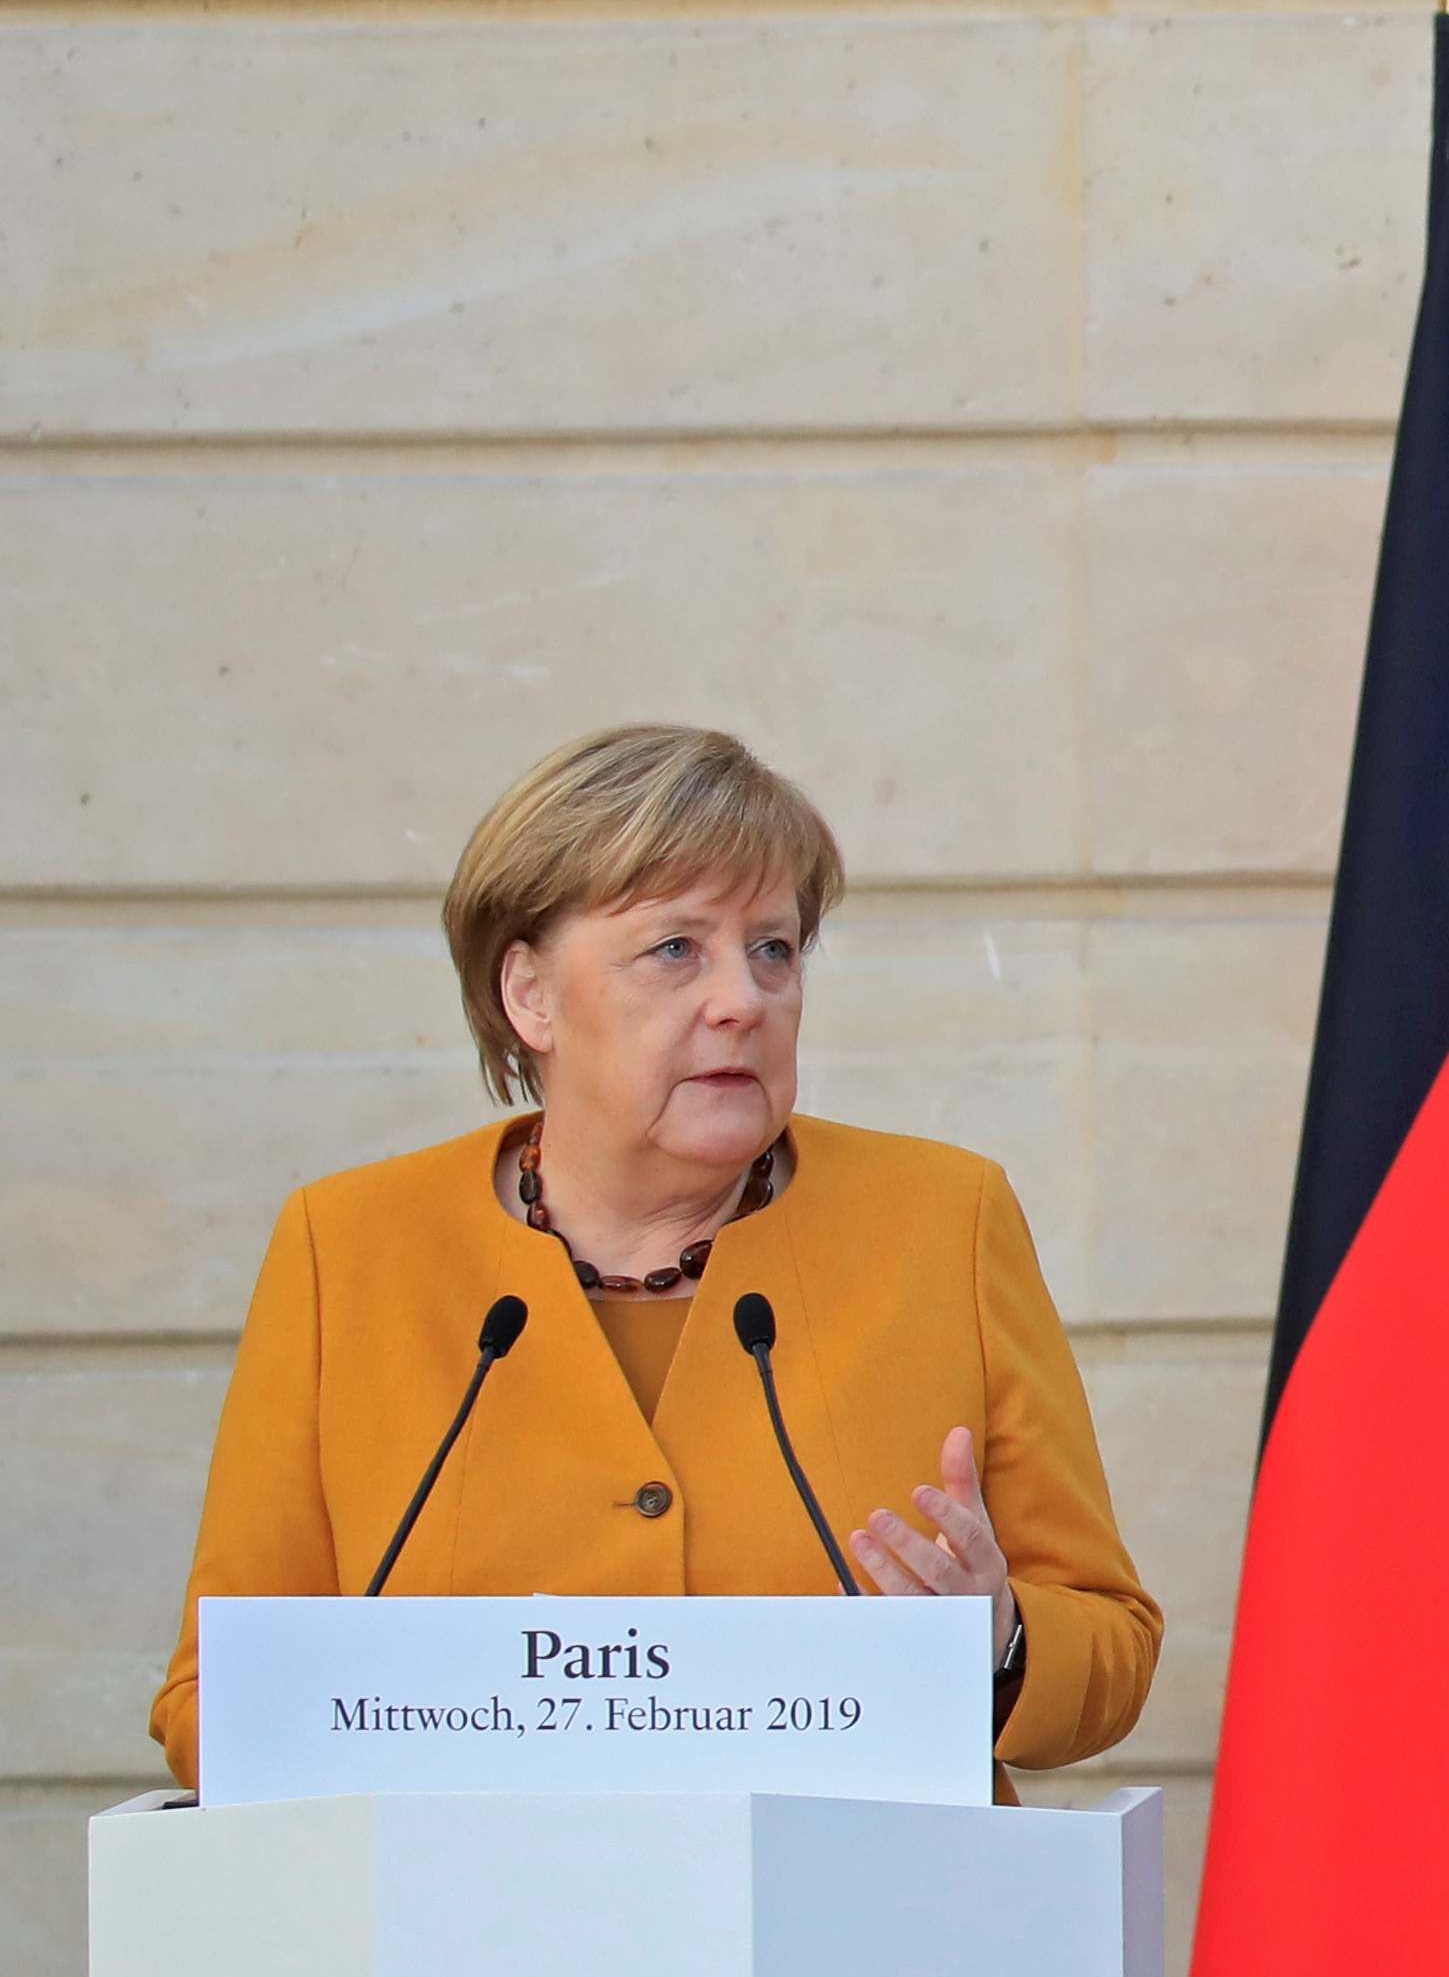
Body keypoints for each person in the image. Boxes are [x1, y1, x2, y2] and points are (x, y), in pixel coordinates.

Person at [151, 726, 1157, 1789]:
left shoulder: (945, 1222)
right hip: (465, 1930)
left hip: (859, 1930)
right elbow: (211, 1698)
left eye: (772, 949)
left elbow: (1110, 1648)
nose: (743, 999)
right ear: (529, 995)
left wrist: (997, 1639)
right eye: (677, 949)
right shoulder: (347, 1248)